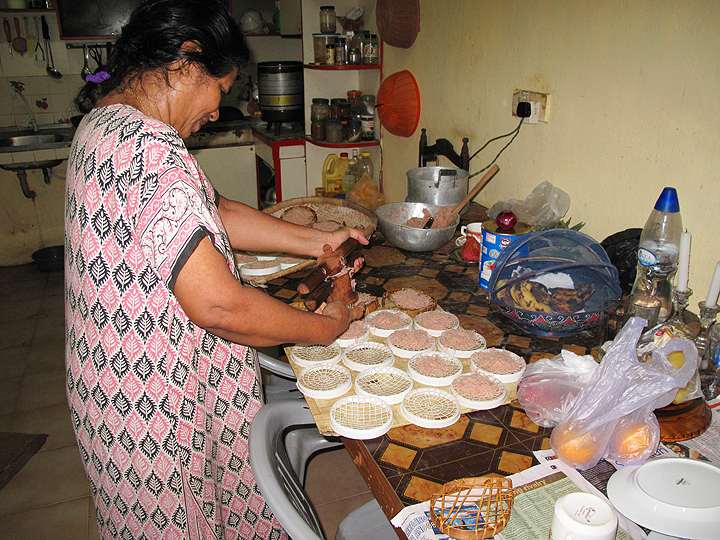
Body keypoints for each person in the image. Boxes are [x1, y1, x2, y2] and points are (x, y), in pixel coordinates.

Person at [64, 1, 367, 538]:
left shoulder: (107, 124)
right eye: (220, 90)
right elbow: (221, 304)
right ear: (186, 59)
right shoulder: (151, 151)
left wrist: (318, 240)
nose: (217, 110)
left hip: (109, 383)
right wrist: (329, 327)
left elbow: (215, 210)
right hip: (157, 403)